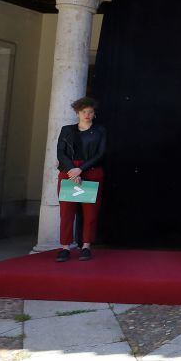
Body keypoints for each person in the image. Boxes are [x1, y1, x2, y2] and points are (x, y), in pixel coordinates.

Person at [55, 97, 106, 262]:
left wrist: (80, 169)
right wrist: (72, 169)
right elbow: (60, 153)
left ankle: (85, 246)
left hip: (90, 172)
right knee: (66, 212)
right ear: (77, 112)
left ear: (94, 114)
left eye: (91, 112)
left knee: (90, 213)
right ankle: (65, 247)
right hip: (68, 172)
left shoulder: (100, 131)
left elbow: (100, 154)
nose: (87, 114)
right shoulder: (67, 130)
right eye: (84, 112)